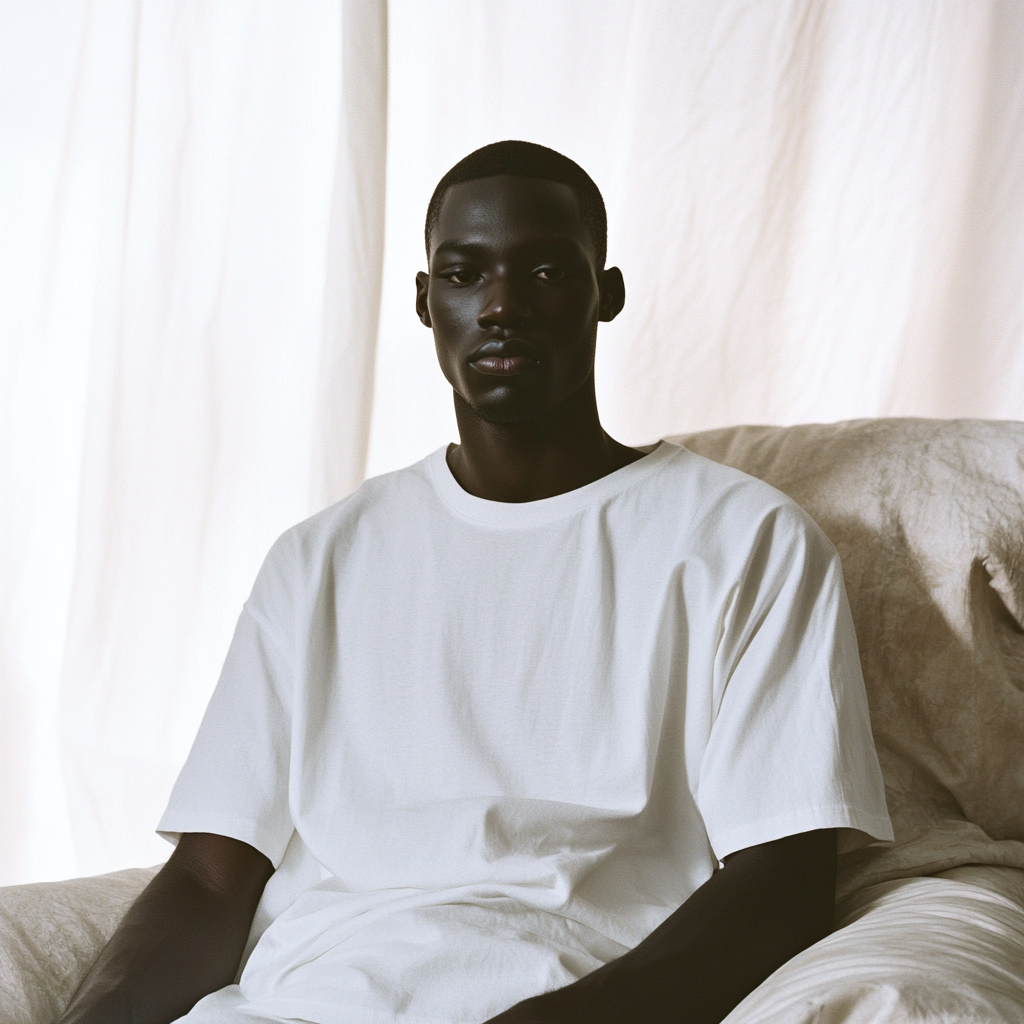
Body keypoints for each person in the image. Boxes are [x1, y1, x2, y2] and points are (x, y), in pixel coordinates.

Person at [58, 141, 892, 1024]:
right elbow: (208, 875)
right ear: (426, 302)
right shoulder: (319, 561)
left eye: (545, 271)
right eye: (464, 274)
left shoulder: (744, 540)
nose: (502, 305)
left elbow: (785, 881)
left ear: (605, 295)